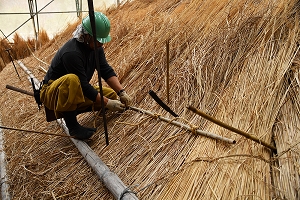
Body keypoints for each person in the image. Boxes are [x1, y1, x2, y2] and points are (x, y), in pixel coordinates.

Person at [40, 12, 131, 140]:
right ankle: (73, 126)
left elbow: (105, 70)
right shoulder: (72, 53)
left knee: (110, 95)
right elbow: (83, 86)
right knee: (72, 79)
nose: (101, 44)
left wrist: (121, 92)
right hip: (53, 93)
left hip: (75, 91)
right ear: (86, 36)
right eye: (98, 40)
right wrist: (108, 103)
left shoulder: (96, 48)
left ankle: (73, 109)